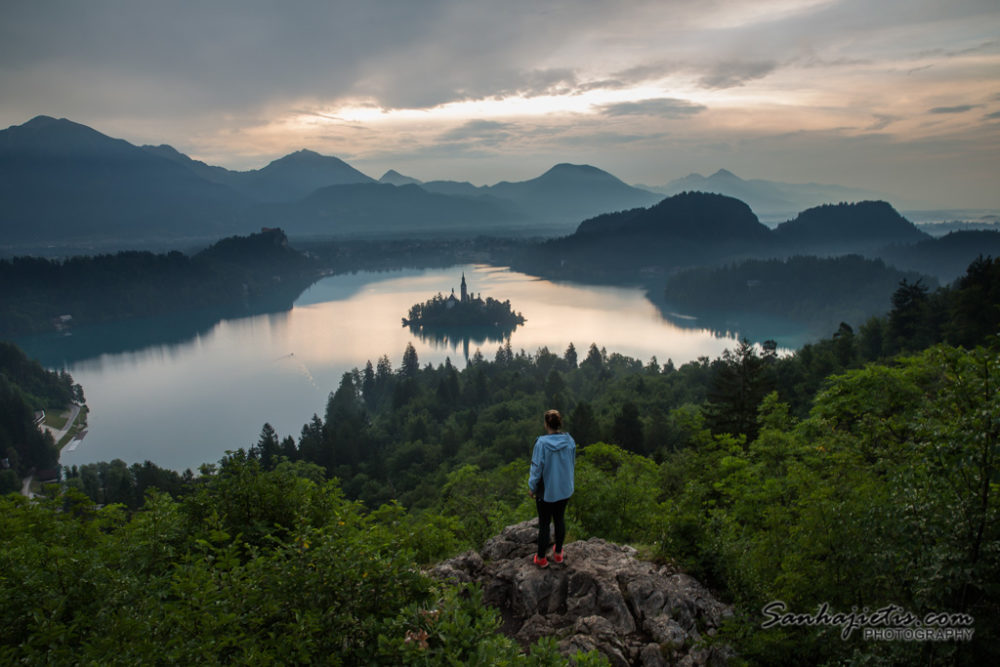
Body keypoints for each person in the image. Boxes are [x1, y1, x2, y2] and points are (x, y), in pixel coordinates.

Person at [527, 409, 576, 568]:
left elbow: (536, 468)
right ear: (559, 423)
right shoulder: (569, 441)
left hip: (546, 491)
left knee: (544, 524)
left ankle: (541, 558)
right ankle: (558, 553)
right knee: (559, 519)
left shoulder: (541, 444)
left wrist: (532, 487)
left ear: (546, 424)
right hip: (564, 488)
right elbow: (572, 463)